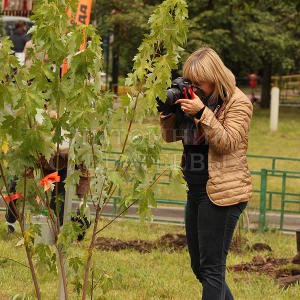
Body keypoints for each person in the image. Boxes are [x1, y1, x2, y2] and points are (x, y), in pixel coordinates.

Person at [158, 48, 253, 300]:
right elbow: (170, 137)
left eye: (199, 81)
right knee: (200, 268)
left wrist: (201, 113)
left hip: (223, 192)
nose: (194, 86)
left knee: (212, 270)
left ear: (215, 77)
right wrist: (169, 112)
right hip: (197, 190)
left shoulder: (238, 102)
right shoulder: (192, 99)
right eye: (190, 80)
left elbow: (227, 142)